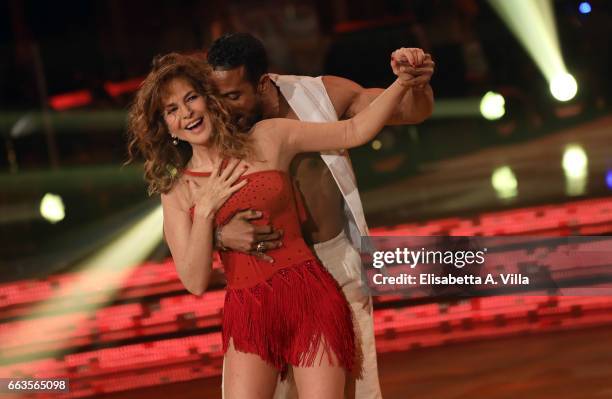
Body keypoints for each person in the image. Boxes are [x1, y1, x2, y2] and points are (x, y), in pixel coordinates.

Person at [127, 51, 421, 398]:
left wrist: (403, 82)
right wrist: (206, 212)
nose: (186, 112)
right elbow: (194, 281)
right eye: (172, 109)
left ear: (209, 99)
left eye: (191, 98)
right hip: (249, 315)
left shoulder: (269, 137)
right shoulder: (178, 192)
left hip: (310, 299)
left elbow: (354, 130)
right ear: (165, 126)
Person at [206, 33, 435, 399]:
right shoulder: (212, 125)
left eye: (234, 95)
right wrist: (218, 236)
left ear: (263, 82)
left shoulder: (317, 95)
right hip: (265, 275)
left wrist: (416, 82)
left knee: (353, 391)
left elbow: (411, 111)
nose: (225, 108)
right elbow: (186, 207)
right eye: (218, 97)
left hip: (333, 263)